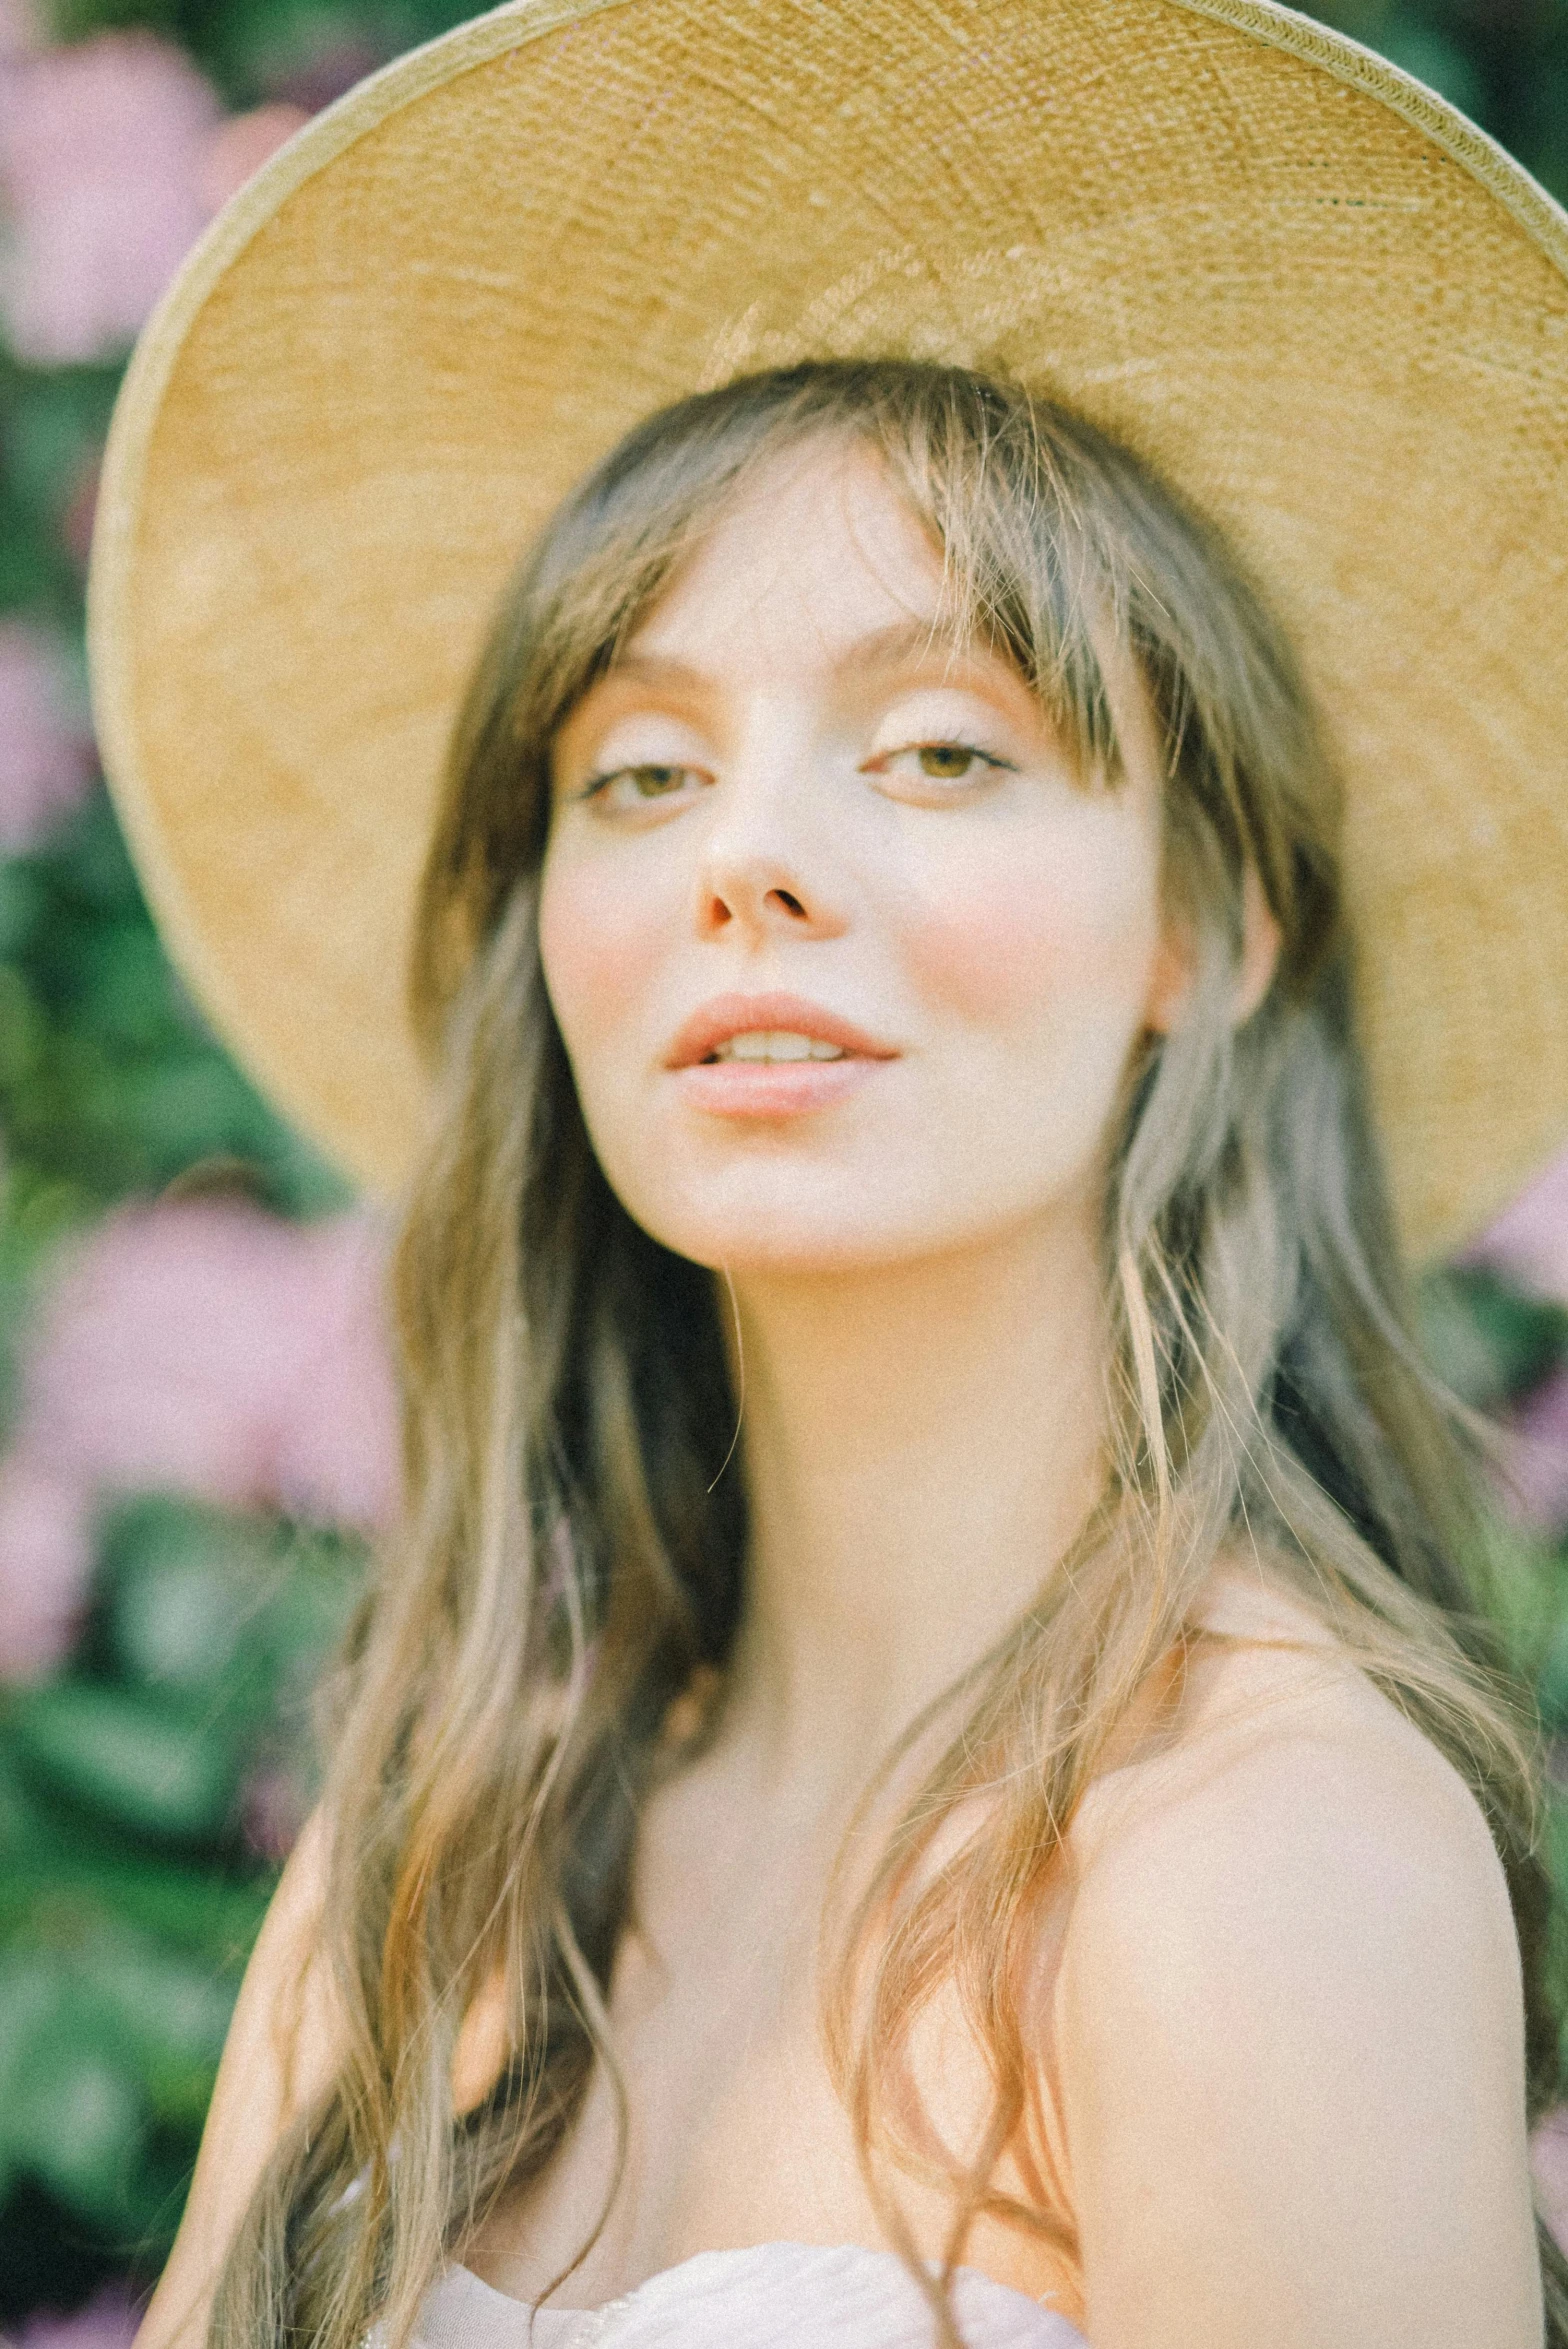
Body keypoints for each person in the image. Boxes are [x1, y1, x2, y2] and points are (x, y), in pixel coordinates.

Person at [87, 3, 1568, 2346]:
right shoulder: (439, 1863)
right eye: (643, 774)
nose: (747, 861)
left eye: (940, 747)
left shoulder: (1254, 1862)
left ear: (1204, 923)